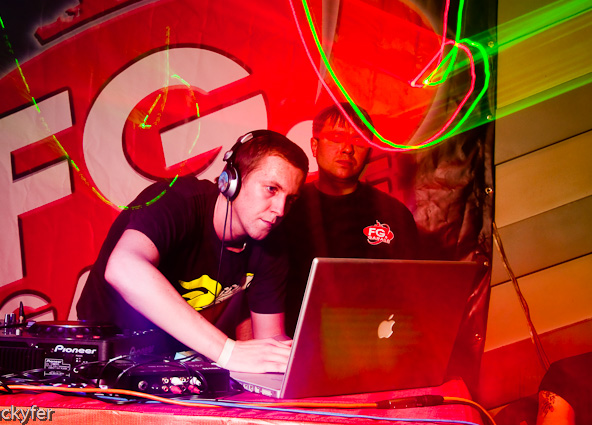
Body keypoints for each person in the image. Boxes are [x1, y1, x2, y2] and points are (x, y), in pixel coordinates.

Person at [77, 130, 309, 374]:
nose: (280, 210)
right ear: (231, 181)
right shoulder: (178, 200)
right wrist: (227, 351)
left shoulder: (272, 242)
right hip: (103, 352)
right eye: (271, 189)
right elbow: (123, 267)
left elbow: (270, 341)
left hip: (172, 359)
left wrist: (304, 362)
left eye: (290, 199)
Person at [283, 103, 419, 336]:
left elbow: (414, 293)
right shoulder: (285, 208)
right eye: (336, 138)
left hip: (376, 341)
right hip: (299, 341)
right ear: (314, 146)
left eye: (358, 140)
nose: (347, 149)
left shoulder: (393, 214)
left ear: (370, 151)